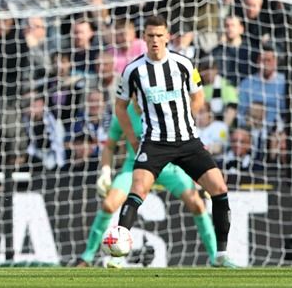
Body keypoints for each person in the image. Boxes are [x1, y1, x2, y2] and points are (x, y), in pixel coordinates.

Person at [115, 15, 236, 267]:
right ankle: (118, 253)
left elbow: (198, 96)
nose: (155, 41)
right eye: (150, 36)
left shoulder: (183, 63)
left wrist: (184, 116)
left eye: (160, 35)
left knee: (219, 189)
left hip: (187, 141)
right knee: (137, 191)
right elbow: (120, 107)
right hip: (154, 143)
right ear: (144, 38)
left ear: (167, 36)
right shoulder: (133, 70)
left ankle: (221, 255)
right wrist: (131, 138)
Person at [75, 100, 217, 267]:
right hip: (135, 166)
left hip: (168, 166)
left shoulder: (162, 109)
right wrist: (105, 171)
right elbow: (110, 146)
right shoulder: (123, 113)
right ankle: (88, 256)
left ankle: (216, 256)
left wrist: (199, 172)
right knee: (108, 205)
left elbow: (185, 141)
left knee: (197, 205)